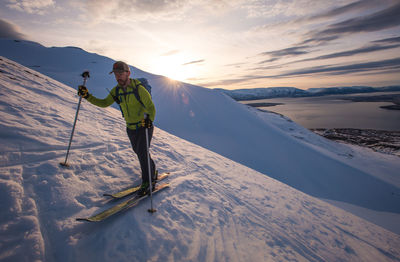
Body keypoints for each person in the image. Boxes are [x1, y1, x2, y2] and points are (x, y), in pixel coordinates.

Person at [77, 61, 157, 196]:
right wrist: (87, 96)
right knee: (140, 152)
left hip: (144, 126)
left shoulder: (139, 89)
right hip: (130, 128)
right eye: (115, 74)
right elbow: (104, 103)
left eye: (120, 73)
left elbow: (151, 107)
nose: (118, 77)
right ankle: (152, 171)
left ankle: (148, 182)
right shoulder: (117, 91)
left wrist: (149, 120)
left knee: (142, 153)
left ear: (128, 74)